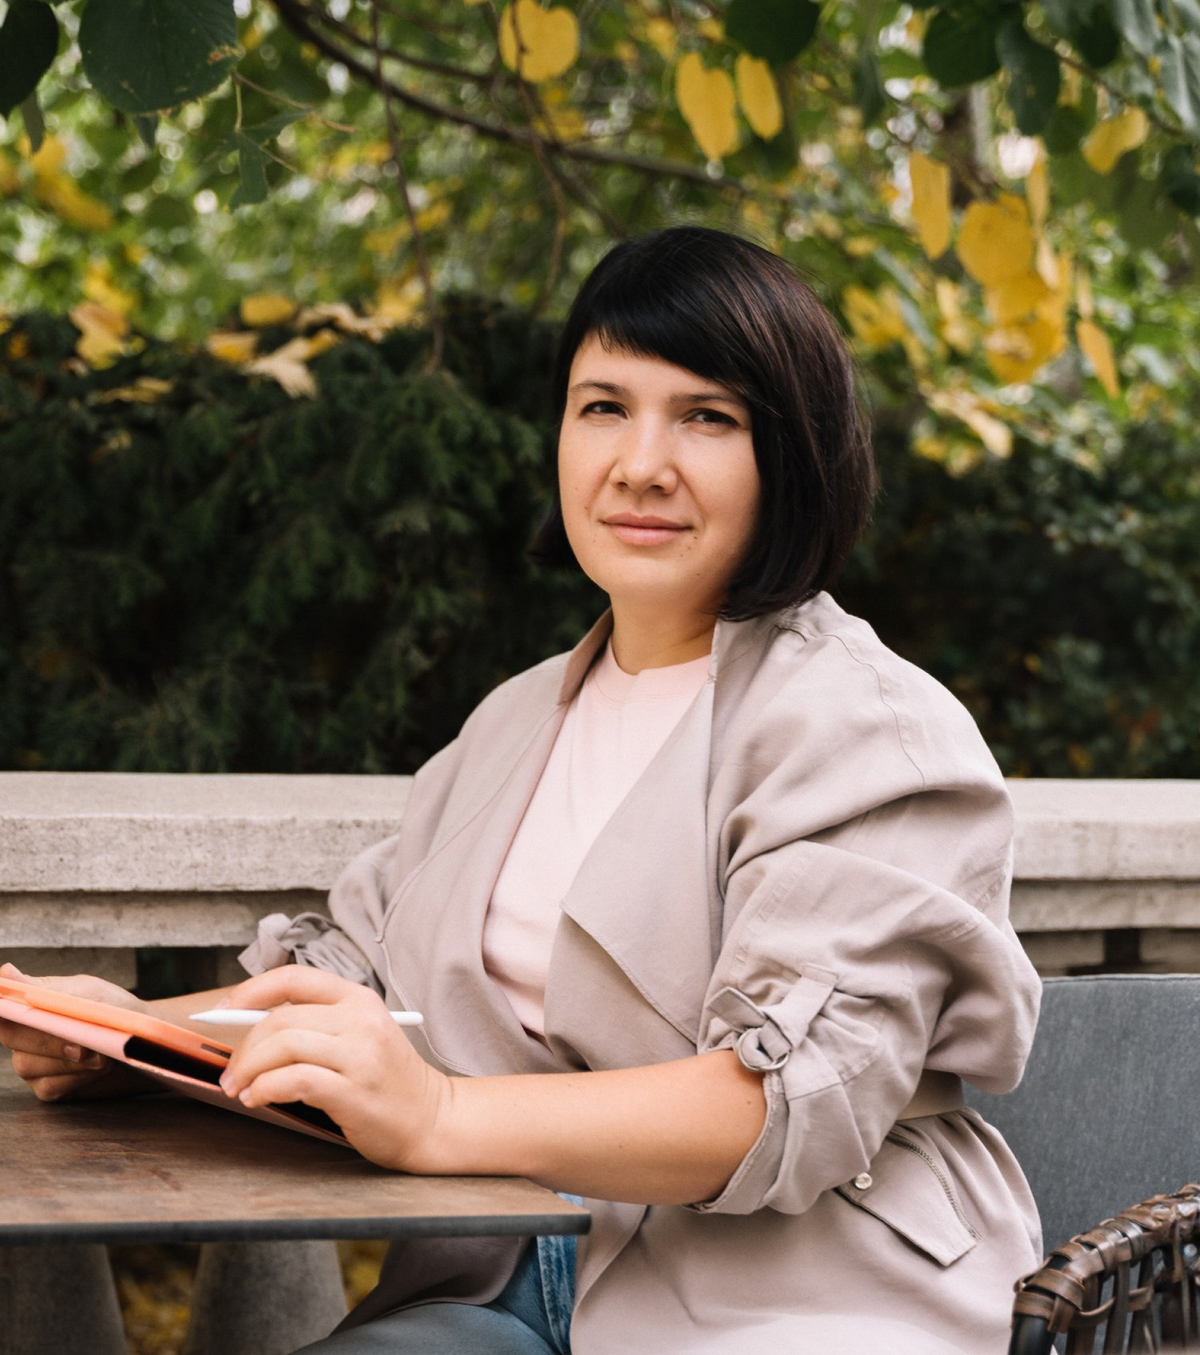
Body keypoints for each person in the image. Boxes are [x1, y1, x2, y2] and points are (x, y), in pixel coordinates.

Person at [1, 226, 1042, 1354]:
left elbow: (784, 1098)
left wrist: (440, 1113)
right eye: (604, 407)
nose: (640, 463)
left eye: (707, 417)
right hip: (510, 1268)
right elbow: (357, 983)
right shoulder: (514, 718)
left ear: (791, 458)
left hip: (802, 1288)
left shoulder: (872, 730)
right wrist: (119, 1037)